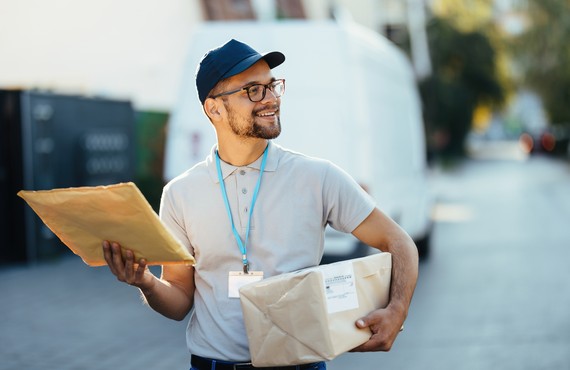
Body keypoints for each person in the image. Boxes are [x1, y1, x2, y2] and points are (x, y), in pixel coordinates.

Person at [103, 39, 418, 370]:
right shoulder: (181, 193)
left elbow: (399, 242)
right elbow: (180, 300)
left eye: (272, 87)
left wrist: (398, 310)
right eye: (253, 90)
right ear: (214, 109)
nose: (270, 99)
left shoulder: (318, 177)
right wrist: (146, 282)